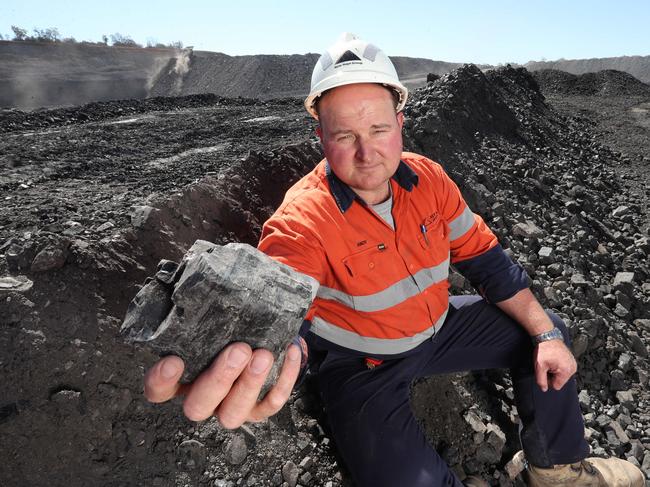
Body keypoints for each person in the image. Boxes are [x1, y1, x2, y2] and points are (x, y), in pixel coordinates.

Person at [143, 33, 645, 487]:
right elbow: (280, 313)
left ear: (401, 123)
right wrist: (258, 358)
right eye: (344, 136)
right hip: (361, 365)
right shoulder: (302, 221)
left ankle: (557, 471)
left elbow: (487, 260)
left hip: (441, 328)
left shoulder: (428, 179)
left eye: (379, 130)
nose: (367, 153)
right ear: (320, 135)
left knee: (543, 331)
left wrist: (548, 336)